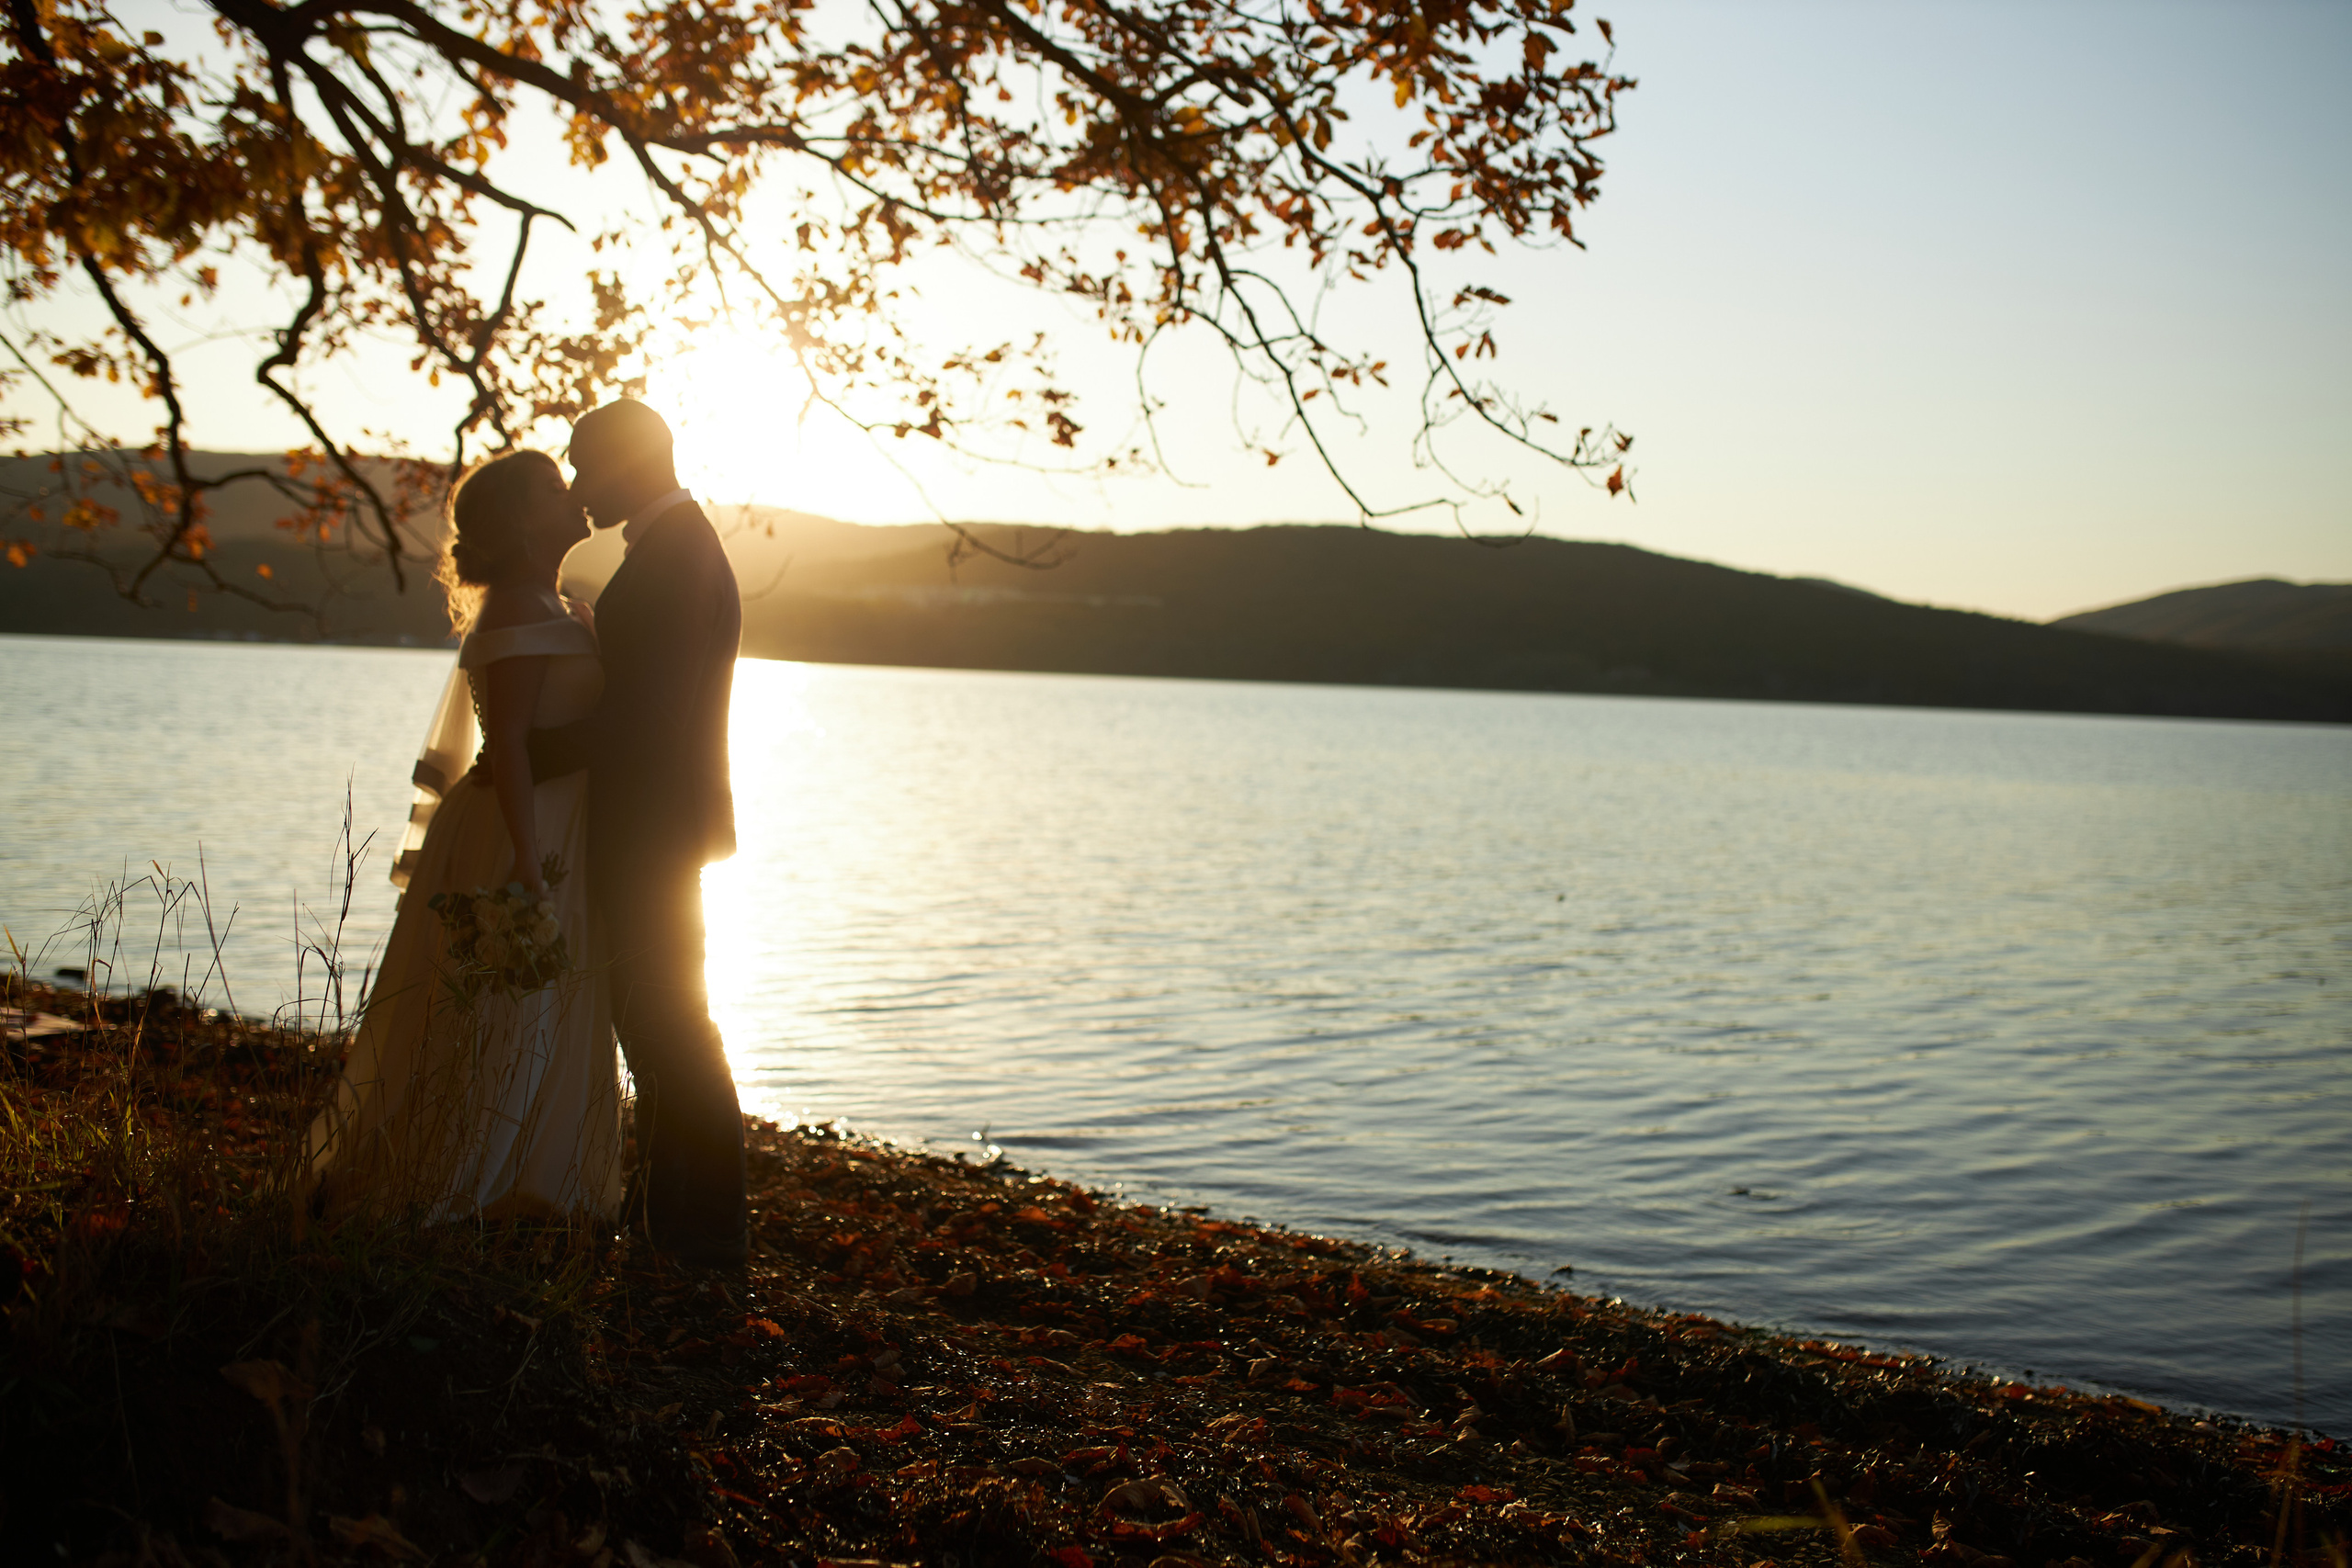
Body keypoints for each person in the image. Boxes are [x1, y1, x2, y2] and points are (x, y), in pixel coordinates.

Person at [305, 450, 623, 1224]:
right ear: (518, 519)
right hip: (518, 826)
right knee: (499, 1003)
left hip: (562, 825)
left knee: (548, 996)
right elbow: (506, 739)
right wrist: (524, 858)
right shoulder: (516, 608)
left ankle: (534, 1176)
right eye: (554, 488)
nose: (574, 495)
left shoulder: (563, 605)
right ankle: (453, 1175)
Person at [520, 400, 750, 1268]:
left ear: (631, 460)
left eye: (586, 465)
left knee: (670, 1028)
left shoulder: (677, 555)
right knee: (656, 1025)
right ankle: (672, 1225)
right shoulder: (666, 548)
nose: (579, 485)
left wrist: (532, 753)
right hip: (656, 823)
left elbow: (645, 721)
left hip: (653, 828)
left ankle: (700, 1241)